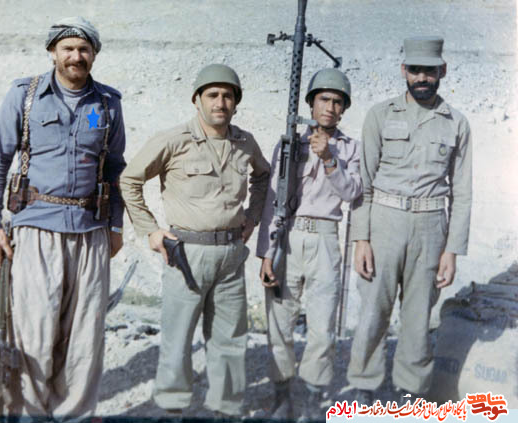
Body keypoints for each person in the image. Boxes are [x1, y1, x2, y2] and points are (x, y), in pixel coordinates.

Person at [0, 17, 126, 420]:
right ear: (53, 52)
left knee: (85, 335)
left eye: (84, 49)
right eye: (68, 48)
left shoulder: (108, 103)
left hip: (91, 229)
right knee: (34, 329)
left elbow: (116, 168)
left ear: (94, 54)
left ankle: (73, 415)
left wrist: (115, 226)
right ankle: (31, 414)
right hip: (36, 226)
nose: (76, 56)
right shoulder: (25, 96)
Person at [120, 64, 270, 417]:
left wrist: (253, 218)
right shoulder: (174, 140)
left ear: (236, 102)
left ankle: (226, 407)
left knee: (230, 338)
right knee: (178, 337)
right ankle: (173, 408)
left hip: (231, 254)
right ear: (197, 100)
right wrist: (150, 230)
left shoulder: (245, 142)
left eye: (228, 96)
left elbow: (263, 177)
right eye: (212, 95)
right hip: (186, 252)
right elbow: (129, 180)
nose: (220, 102)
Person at [347, 36, 472, 405]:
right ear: (404, 70)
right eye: (415, 70)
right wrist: (361, 239)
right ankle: (364, 388)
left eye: (429, 71)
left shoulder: (457, 123)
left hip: (431, 227)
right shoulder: (380, 115)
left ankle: (410, 393)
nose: (422, 78)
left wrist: (452, 251)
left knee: (418, 318)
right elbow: (363, 183)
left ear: (442, 71)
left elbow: (463, 193)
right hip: (384, 223)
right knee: (373, 311)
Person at [256, 69, 362, 419]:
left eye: (337, 102)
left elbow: (352, 192)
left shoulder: (351, 149)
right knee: (280, 321)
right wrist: (266, 252)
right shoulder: (289, 144)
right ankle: (282, 396)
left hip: (326, 238)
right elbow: (272, 200)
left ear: (343, 109)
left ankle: (315, 399)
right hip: (287, 237)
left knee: (322, 326)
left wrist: (330, 159)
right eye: (323, 99)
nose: (330, 107)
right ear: (311, 104)